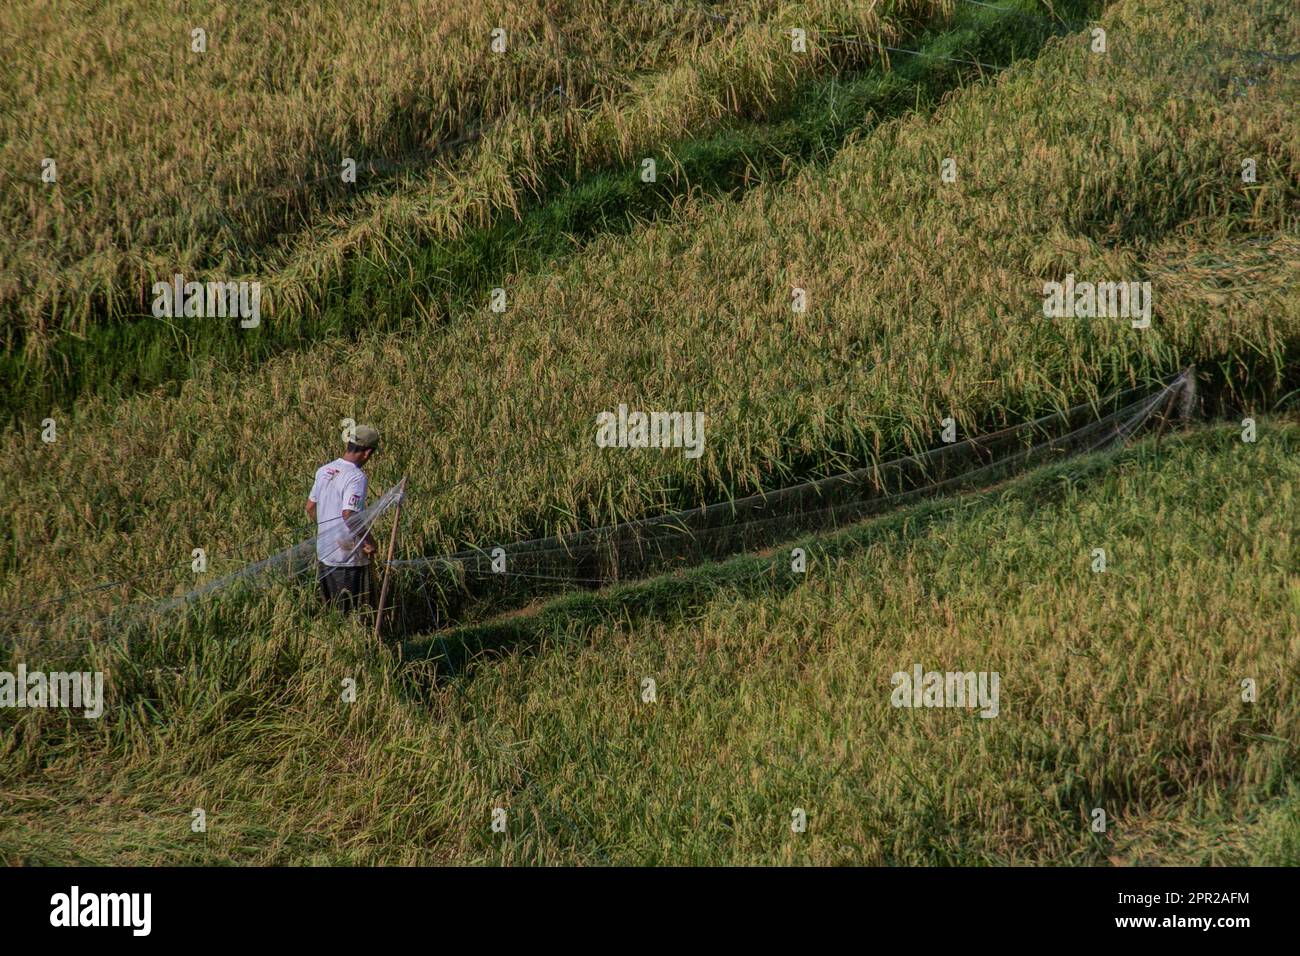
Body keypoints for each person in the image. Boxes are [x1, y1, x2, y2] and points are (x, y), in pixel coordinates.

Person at [307, 425, 380, 611]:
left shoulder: (324, 470)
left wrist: (328, 531)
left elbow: (310, 507)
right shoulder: (356, 477)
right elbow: (349, 514)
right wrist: (368, 542)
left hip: (325, 553)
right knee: (353, 611)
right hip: (347, 557)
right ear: (367, 453)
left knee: (333, 611)